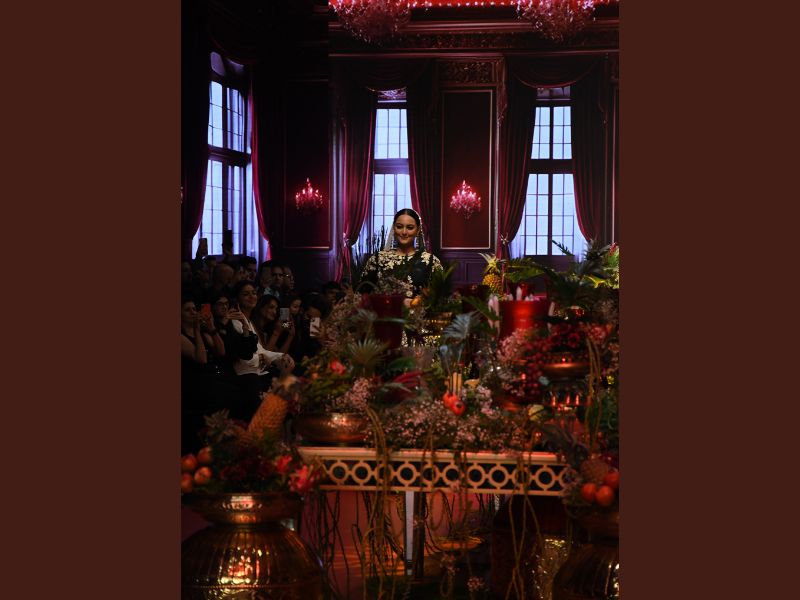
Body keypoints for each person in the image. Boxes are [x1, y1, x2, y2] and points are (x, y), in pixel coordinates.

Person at [361, 208, 443, 305]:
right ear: (394, 228)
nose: (404, 232)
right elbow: (361, 295)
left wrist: (417, 303)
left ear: (417, 230)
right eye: (399, 227)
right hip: (385, 313)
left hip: (420, 313)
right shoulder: (378, 259)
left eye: (410, 227)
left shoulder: (431, 261)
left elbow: (441, 298)